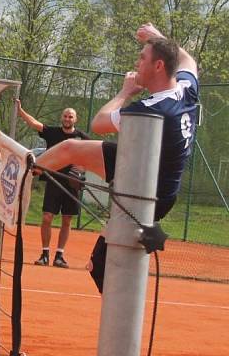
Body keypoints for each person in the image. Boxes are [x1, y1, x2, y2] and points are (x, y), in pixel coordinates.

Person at [35, 23, 198, 293]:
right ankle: (21, 174)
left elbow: (99, 123)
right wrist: (158, 38)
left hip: (144, 192)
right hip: (144, 169)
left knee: (101, 266)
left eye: (142, 58)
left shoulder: (150, 109)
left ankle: (124, 329)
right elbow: (188, 60)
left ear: (158, 66)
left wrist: (125, 92)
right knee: (70, 149)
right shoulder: (185, 89)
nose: (137, 63)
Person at [15, 101, 89, 268]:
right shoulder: (53, 133)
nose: (67, 119)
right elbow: (34, 123)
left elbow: (91, 155)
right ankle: (45, 254)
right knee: (47, 217)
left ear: (75, 119)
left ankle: (59, 256)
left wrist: (80, 170)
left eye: (70, 116)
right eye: (65, 116)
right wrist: (20, 111)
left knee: (67, 219)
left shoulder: (82, 137)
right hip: (53, 180)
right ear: (61, 118)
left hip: (71, 184)